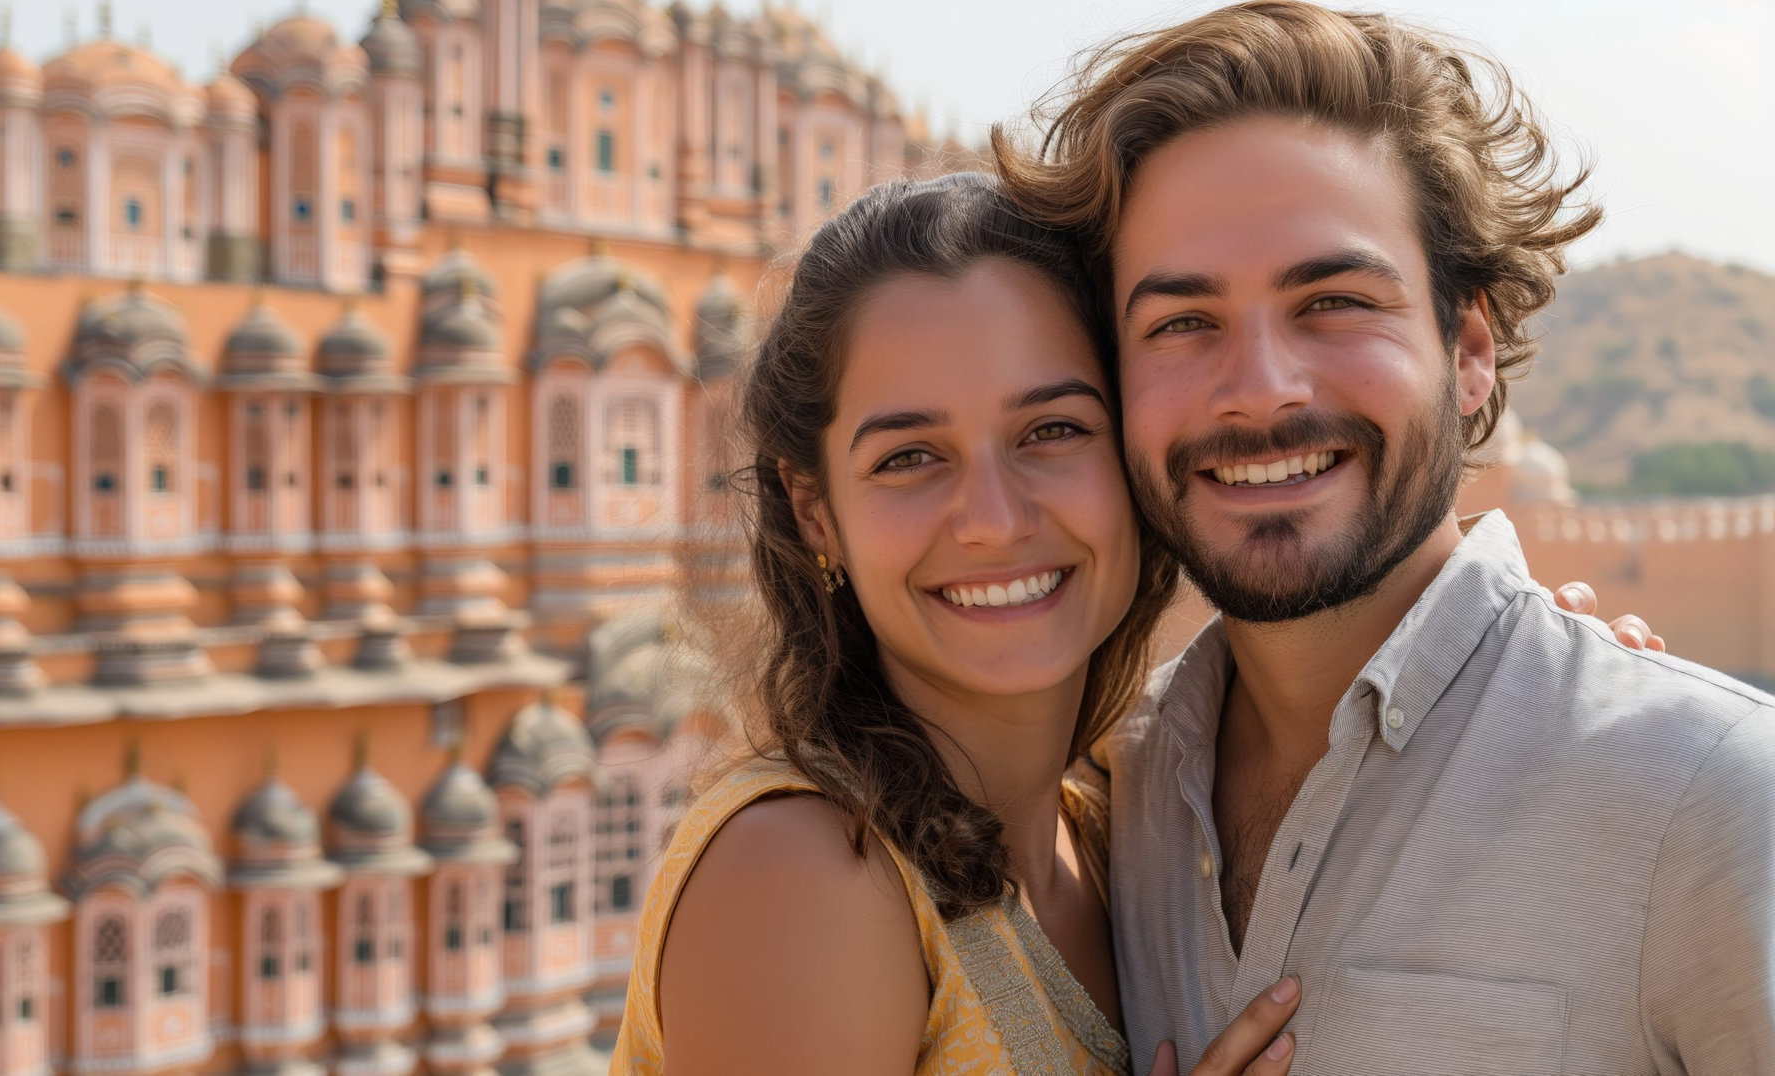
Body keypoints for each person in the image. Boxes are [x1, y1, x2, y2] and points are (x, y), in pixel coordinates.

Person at [993, 2, 1775, 1072]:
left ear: (1467, 347)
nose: (1260, 389)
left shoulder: (1703, 797)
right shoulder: (1113, 806)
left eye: (1333, 301)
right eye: (1182, 322)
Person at [609, 173, 1305, 1075]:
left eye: (1051, 431)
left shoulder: (1109, 832)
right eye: (909, 458)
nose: (994, 519)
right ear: (817, 513)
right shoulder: (805, 873)